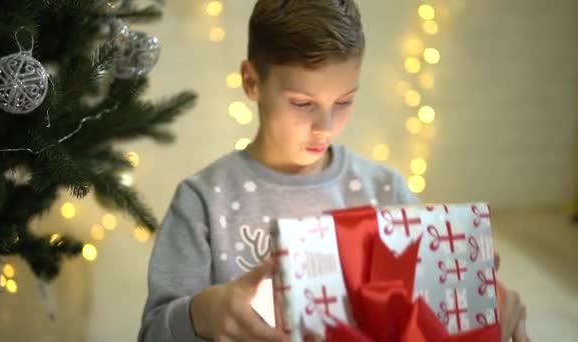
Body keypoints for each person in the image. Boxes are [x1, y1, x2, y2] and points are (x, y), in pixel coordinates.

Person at [138, 1, 529, 341]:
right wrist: (202, 314)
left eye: (343, 101)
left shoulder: (386, 190)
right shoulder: (204, 201)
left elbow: (424, 312)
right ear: (251, 82)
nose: (325, 126)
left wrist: (479, 299)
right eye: (303, 103)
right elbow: (153, 333)